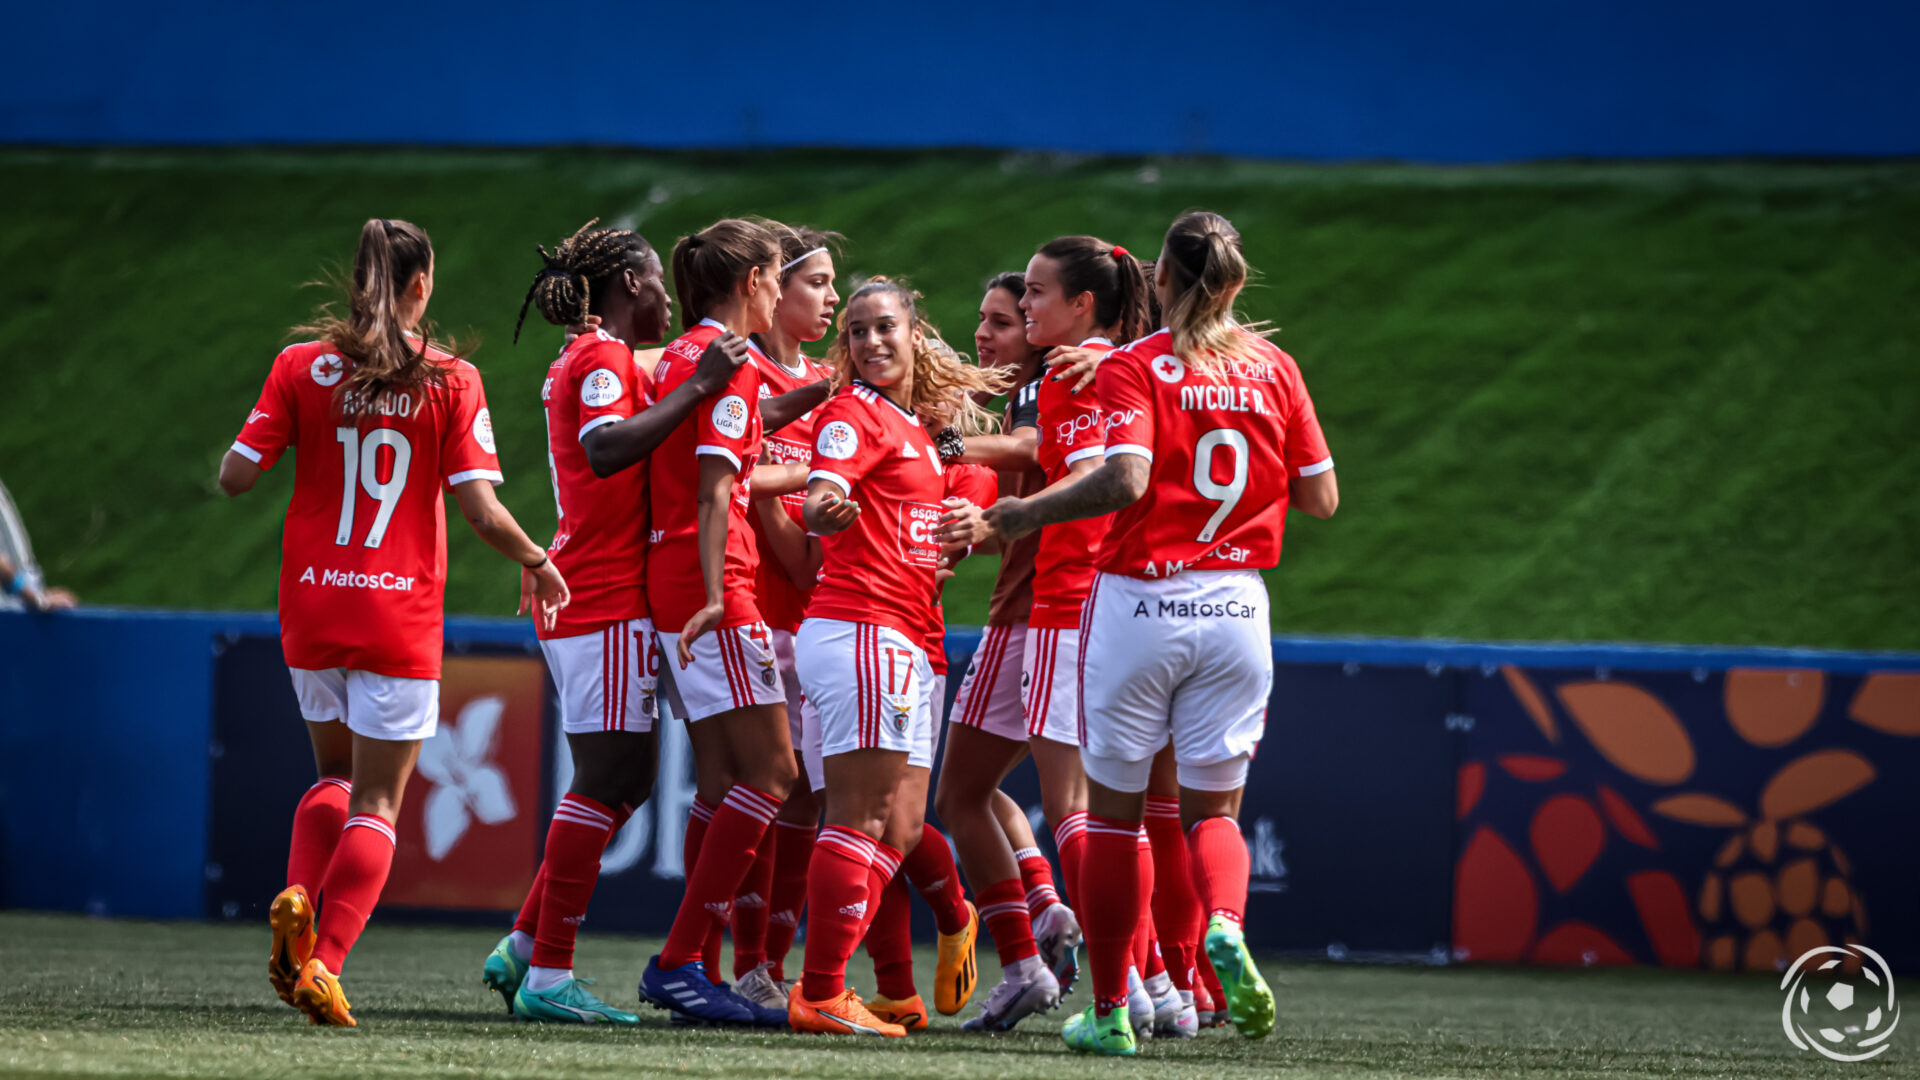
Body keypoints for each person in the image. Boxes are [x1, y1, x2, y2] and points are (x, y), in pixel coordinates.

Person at [976, 211, 1338, 1056]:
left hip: (1141, 603)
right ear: (1238, 284)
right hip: (1240, 606)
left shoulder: (1140, 365)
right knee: (1212, 813)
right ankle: (1224, 924)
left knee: (1114, 819)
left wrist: (1027, 508)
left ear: (1162, 281)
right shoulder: (1274, 367)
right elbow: (1320, 498)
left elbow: (1126, 477)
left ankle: (1110, 1011)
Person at [218, 218, 570, 1028]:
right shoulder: (450, 378)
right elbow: (480, 511)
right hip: (395, 610)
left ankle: (300, 899)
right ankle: (325, 963)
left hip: (312, 599)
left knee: (332, 779)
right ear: (421, 288)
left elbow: (237, 476)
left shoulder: (300, 367)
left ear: (354, 283)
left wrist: (287, 427)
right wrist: (538, 559)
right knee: (379, 801)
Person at [480, 220, 752, 1024]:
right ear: (632, 284)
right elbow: (604, 450)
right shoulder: (599, 358)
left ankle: (528, 947)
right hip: (600, 598)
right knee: (609, 778)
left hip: (597, 595)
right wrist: (699, 388)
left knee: (623, 779)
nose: (669, 297)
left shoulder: (595, 353)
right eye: (658, 283)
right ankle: (549, 972)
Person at [941, 236, 1155, 1030]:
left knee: (1084, 809)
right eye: (1003, 308)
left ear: (1081, 304)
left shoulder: (1076, 373)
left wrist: (950, 450)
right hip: (1054, 610)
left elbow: (1077, 471)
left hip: (1063, 608)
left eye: (1025, 299)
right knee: (967, 790)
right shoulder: (1100, 369)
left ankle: (1130, 983)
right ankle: (1051, 947)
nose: (1007, 320)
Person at [787, 279, 1009, 1036]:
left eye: (885, 328)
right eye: (856, 332)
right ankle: (821, 991)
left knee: (903, 829)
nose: (871, 342)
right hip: (863, 629)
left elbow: (980, 465)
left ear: (915, 334)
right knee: (856, 818)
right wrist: (825, 507)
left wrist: (978, 515)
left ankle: (875, 964)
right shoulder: (854, 412)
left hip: (910, 638)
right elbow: (822, 492)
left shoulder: (923, 430)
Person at [636, 218, 795, 1027]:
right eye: (776, 275)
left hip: (678, 574)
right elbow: (713, 489)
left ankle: (693, 963)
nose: (782, 289)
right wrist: (714, 595)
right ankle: (677, 961)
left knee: (726, 780)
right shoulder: (726, 369)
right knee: (774, 774)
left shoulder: (687, 357)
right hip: (715, 582)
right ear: (750, 283)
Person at [928, 271, 1081, 1032]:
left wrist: (940, 435)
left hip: (1034, 620)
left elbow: (1025, 447)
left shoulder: (1044, 383)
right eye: (986, 318)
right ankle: (1149, 977)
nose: (987, 334)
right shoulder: (1091, 379)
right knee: (1116, 808)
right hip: (1106, 615)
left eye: (1009, 318)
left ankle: (1025, 962)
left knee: (959, 796)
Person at [727, 223, 841, 1011]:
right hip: (761, 607)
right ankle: (743, 966)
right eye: (817, 282)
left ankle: (771, 962)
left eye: (836, 284)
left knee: (807, 801)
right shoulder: (746, 376)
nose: (831, 298)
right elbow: (738, 479)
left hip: (823, 611)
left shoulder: (832, 380)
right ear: (771, 288)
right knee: (763, 790)